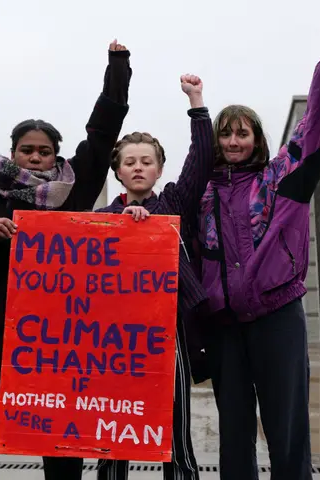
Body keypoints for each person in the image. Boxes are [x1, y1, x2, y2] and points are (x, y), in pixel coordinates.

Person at [0, 39, 132, 480]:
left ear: (56, 155)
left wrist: (117, 69)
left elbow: (102, 136)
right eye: (28, 149)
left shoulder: (76, 190)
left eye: (45, 151)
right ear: (13, 152)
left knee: (62, 449)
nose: (36, 157)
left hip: (59, 345)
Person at [192, 15, 320, 480]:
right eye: (225, 134)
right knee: (234, 432)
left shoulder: (282, 177)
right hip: (224, 324)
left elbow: (316, 125)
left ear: (257, 139)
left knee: (286, 431)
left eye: (242, 133)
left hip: (276, 316)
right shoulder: (201, 192)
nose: (232, 141)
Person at [94, 73, 215, 480]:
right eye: (130, 162)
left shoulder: (175, 204)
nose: (139, 167)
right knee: (113, 437)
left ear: (160, 168)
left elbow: (202, 160)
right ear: (118, 172)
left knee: (177, 433)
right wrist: (124, 227)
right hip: (115, 340)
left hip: (170, 332)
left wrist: (196, 103)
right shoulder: (101, 220)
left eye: (147, 161)